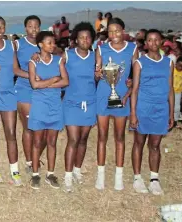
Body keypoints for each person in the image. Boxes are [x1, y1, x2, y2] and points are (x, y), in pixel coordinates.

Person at [95, 18, 138, 191]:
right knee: (102, 136)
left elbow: (136, 76)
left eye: (117, 30)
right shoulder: (101, 48)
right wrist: (97, 74)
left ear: (124, 30)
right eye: (110, 31)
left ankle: (118, 176)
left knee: (119, 137)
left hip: (122, 97)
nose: (114, 34)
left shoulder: (133, 48)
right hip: (103, 94)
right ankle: (101, 175)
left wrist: (128, 91)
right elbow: (97, 73)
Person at [130, 29, 174, 195]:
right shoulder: (139, 63)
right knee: (139, 143)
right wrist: (133, 113)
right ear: (146, 43)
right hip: (143, 108)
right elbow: (134, 90)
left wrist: (171, 113)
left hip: (161, 109)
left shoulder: (168, 62)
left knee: (155, 145)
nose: (153, 43)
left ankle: (154, 179)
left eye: (157, 40)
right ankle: (137, 178)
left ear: (162, 42)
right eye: (150, 40)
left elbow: (170, 89)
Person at [28, 31, 69, 190]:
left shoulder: (59, 61)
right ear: (40, 44)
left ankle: (50, 174)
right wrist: (53, 80)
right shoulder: (33, 62)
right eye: (49, 43)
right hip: (39, 106)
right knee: (37, 142)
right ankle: (35, 174)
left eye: (54, 43)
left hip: (55, 105)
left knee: (52, 142)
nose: (53, 45)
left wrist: (44, 83)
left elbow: (65, 81)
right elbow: (34, 85)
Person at [0, 16, 22, 186]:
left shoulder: (11, 45)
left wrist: (32, 75)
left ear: (5, 28)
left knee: (11, 133)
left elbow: (15, 69)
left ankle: (15, 171)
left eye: (1, 27)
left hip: (8, 94)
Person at [62, 22, 97, 192]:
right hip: (71, 103)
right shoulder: (67, 55)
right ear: (75, 39)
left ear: (92, 39)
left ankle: (77, 170)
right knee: (73, 139)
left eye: (88, 37)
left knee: (83, 139)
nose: (85, 40)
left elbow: (97, 80)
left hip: (89, 103)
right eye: (81, 37)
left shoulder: (96, 57)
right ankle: (67, 176)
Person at [14, 15, 41, 174]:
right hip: (24, 89)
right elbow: (15, 70)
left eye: (36, 26)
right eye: (30, 26)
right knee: (29, 128)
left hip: (43, 90)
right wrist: (31, 76)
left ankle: (36, 156)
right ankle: (30, 162)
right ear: (25, 28)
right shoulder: (18, 44)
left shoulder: (45, 43)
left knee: (42, 128)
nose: (34, 29)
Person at [173, 56, 182, 128]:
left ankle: (175, 121)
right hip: (169, 92)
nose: (180, 67)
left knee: (177, 108)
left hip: (178, 92)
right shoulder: (172, 70)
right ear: (176, 64)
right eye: (179, 65)